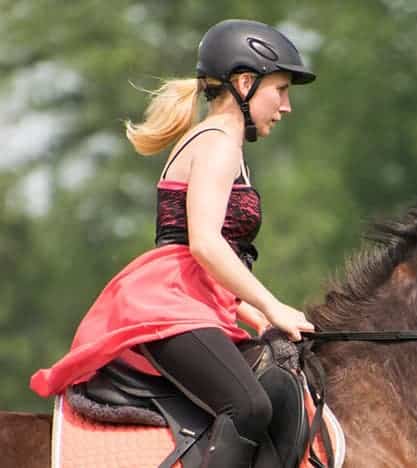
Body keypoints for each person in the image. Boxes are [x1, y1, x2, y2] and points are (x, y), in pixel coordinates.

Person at [30, 19, 316, 467]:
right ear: (245, 83)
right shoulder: (220, 142)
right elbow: (203, 245)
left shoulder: (220, 142)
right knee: (249, 407)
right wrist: (273, 305)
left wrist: (259, 318)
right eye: (279, 89)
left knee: (276, 391)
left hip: (188, 299)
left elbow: (207, 262)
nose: (286, 106)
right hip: (169, 305)